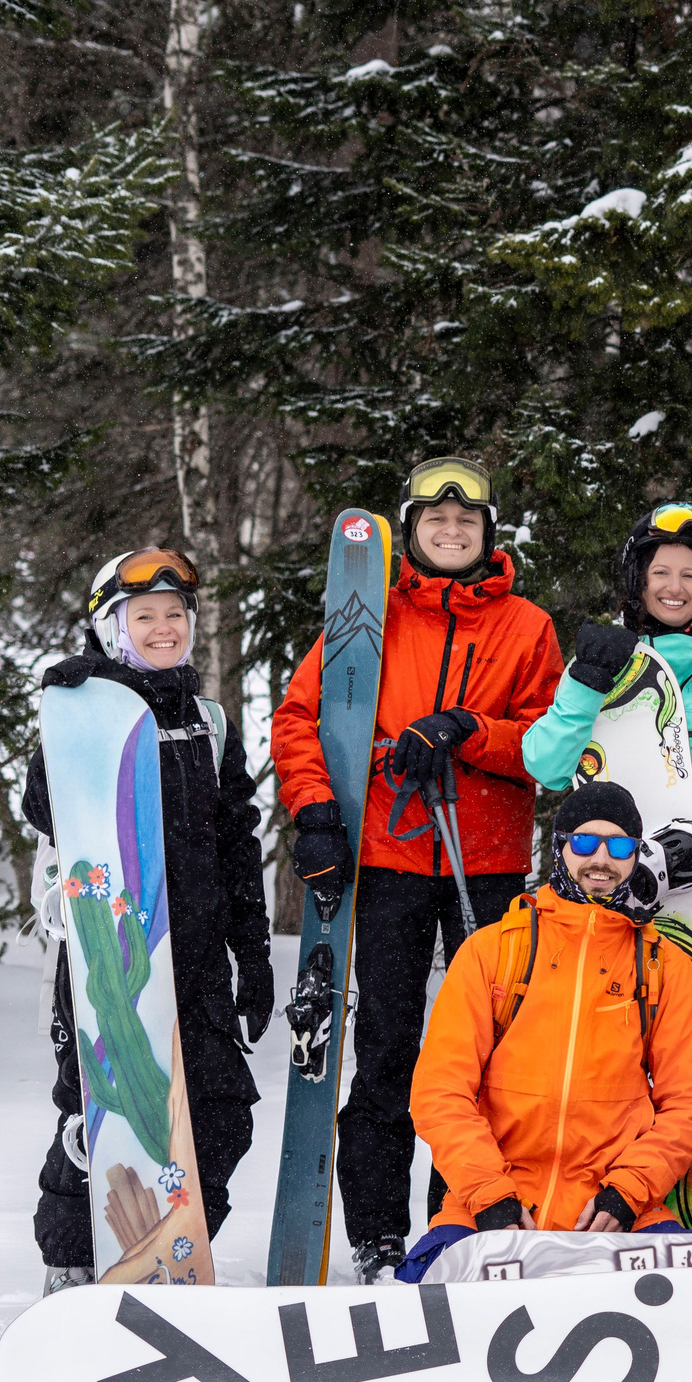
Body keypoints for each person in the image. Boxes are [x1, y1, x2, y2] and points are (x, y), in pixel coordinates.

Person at [271, 454, 565, 1282]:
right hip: (391, 856)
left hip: (489, 861)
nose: (451, 530)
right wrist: (316, 811)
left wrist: (469, 730)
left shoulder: (527, 626)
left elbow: (548, 743)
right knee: (387, 1049)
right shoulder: (367, 614)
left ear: (488, 534)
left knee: (484, 1055)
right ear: (411, 531)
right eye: (436, 519)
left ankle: (460, 1217)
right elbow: (299, 718)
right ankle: (376, 1234)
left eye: (467, 520)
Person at [24, 550, 270, 1293]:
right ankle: (71, 1264)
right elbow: (44, 810)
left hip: (197, 961)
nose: (164, 628)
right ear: (111, 627)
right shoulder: (86, 711)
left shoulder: (210, 723)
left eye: (175, 614)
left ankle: (173, 1253)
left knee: (220, 1114)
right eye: (144, 616)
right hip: (112, 955)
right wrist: (76, 712)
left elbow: (237, 844)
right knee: (98, 1112)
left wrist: (253, 954)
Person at [397, 782, 692, 1275]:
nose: (601, 859)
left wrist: (628, 1193)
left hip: (617, 1216)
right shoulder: (492, 951)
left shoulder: (664, 968)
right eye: (585, 842)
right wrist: (490, 1195)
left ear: (636, 856)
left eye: (620, 847)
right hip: (490, 1211)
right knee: (422, 1308)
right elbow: (440, 1092)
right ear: (560, 846)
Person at [524, 502, 692, 1008]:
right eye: (661, 572)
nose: (676, 587)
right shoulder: (605, 665)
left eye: (690, 575)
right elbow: (545, 765)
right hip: (617, 907)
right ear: (638, 582)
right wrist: (584, 686)